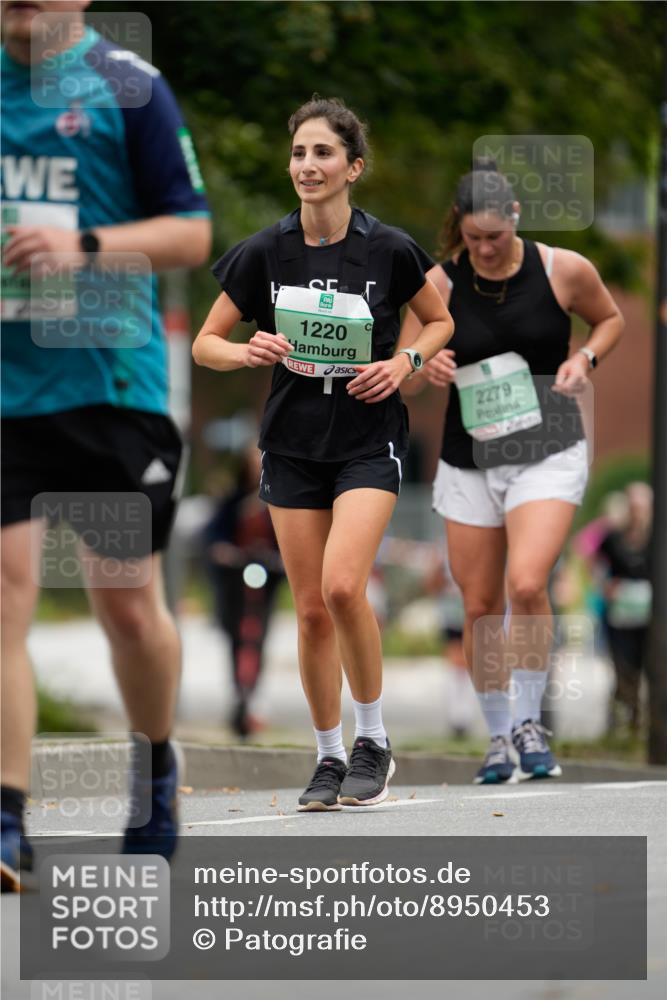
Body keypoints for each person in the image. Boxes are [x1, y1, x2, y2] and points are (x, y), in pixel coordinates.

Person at [1, 0, 211, 890]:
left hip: (111, 392)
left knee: (126, 606)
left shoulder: (129, 85)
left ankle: (155, 766)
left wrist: (82, 244)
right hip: (8, 397)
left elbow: (191, 232)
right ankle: (6, 817)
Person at [193, 96, 453, 810]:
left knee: (342, 587)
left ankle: (373, 741)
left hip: (368, 441)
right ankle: (330, 755)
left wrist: (403, 363)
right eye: (299, 153)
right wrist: (246, 350)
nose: (308, 165)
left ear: (353, 167)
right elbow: (205, 344)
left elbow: (437, 322)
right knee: (310, 609)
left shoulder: (389, 249)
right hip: (292, 445)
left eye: (323, 153)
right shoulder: (264, 252)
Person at [401, 159, 624, 784]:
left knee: (526, 584)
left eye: (495, 236)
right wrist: (424, 365)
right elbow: (405, 367)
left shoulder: (562, 270)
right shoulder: (439, 283)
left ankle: (529, 724)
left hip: (547, 447)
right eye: (473, 237)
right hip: (469, 457)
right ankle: (498, 735)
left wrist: (584, 359)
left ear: (516, 218)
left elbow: (610, 320)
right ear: (460, 227)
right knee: (478, 603)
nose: (484, 249)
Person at [202, 448, 284, 738]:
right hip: (236, 582)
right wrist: (223, 552)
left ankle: (252, 696)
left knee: (258, 637)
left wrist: (279, 560)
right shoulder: (233, 502)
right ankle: (239, 694)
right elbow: (214, 536)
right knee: (236, 637)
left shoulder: (276, 501)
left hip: (266, 578)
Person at [598, 482, 653, 732]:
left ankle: (648, 724)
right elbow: (594, 564)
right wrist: (605, 585)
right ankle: (624, 723)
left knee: (652, 668)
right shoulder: (613, 538)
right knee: (624, 669)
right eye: (633, 505)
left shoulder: (657, 537)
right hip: (620, 615)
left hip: (651, 616)